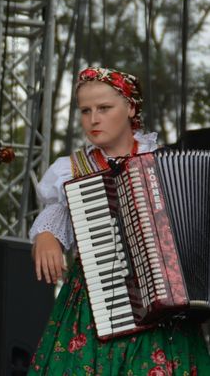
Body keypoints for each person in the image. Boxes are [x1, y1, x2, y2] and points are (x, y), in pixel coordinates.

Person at [28, 67, 210, 375]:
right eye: (85, 111)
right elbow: (55, 212)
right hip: (94, 302)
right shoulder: (72, 169)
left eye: (104, 108)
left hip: (167, 310)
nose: (93, 119)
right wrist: (46, 237)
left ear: (131, 107)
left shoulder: (165, 161)